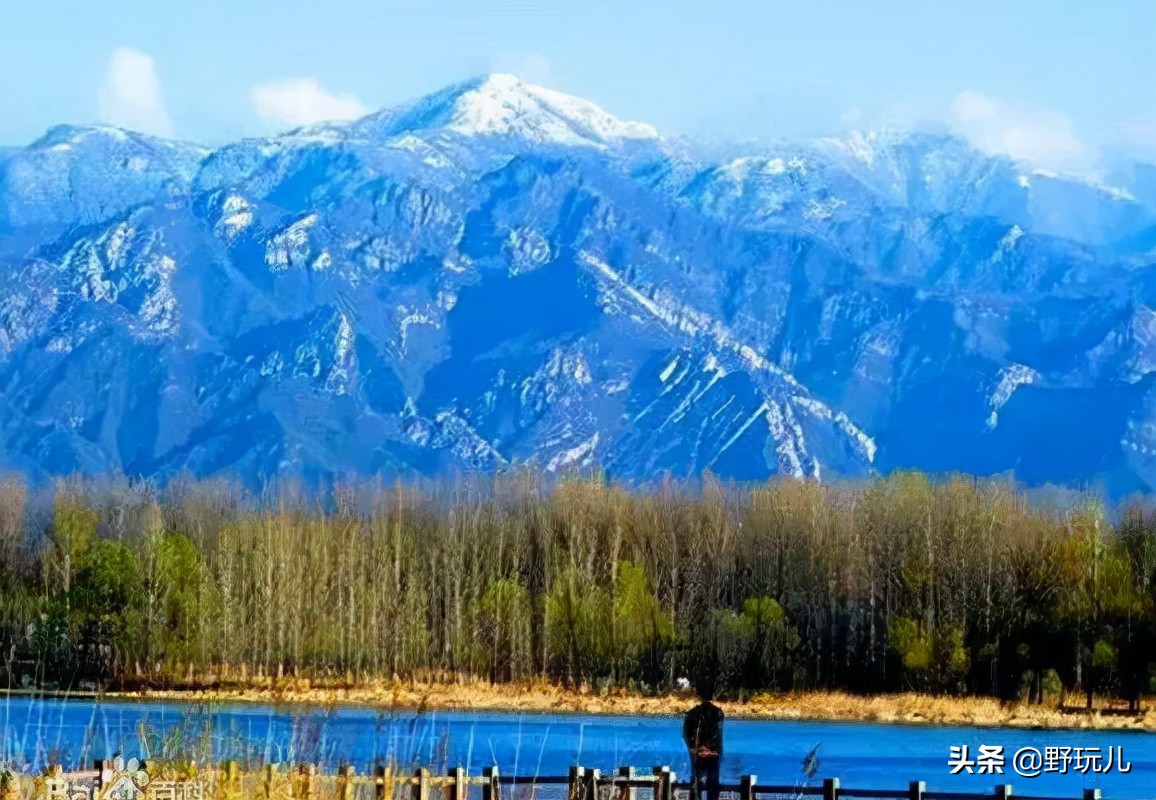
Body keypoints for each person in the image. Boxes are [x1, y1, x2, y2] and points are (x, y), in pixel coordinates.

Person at [682, 685, 724, 800]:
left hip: (698, 752)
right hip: (711, 753)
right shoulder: (718, 713)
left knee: (696, 782)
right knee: (712, 783)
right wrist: (711, 749)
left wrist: (695, 748)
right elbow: (718, 734)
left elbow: (686, 733)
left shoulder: (691, 713)